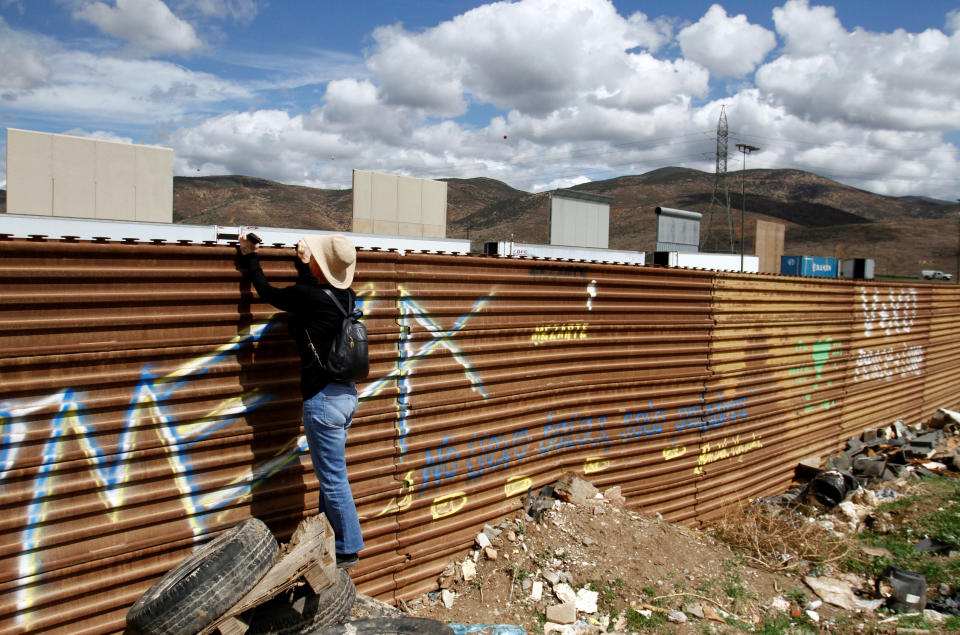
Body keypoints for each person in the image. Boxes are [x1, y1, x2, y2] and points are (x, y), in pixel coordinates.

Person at [237, 232, 364, 569]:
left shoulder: (309, 296)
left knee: (333, 477)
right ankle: (328, 538)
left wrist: (251, 256)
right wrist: (303, 265)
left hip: (322, 400)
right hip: (346, 396)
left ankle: (348, 549)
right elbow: (316, 294)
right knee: (329, 474)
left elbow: (267, 292)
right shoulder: (348, 297)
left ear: (321, 265)